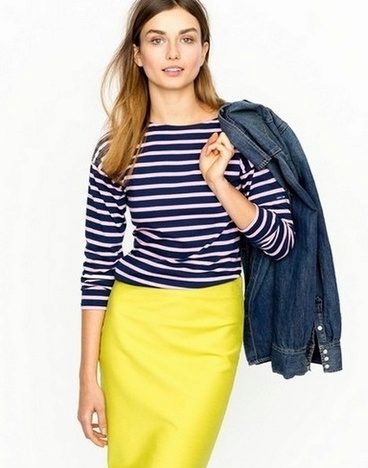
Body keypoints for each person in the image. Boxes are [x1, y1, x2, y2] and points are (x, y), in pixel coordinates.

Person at [77, 1, 295, 466]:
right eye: (157, 39)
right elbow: (97, 267)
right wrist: (87, 378)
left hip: (210, 324)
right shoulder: (116, 148)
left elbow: (280, 241)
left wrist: (219, 182)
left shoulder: (241, 136)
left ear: (204, 50)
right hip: (134, 329)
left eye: (187, 38)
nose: (173, 53)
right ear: (138, 54)